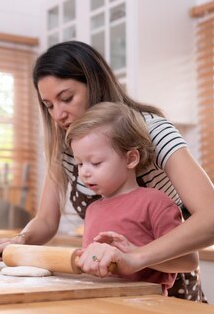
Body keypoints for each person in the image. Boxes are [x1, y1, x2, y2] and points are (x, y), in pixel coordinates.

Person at [0, 41, 214, 301]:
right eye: (49, 105)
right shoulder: (67, 148)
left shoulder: (152, 131)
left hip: (164, 284)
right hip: (107, 290)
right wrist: (18, 241)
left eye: (66, 98)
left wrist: (134, 258)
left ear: (95, 84)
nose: (58, 114)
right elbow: (46, 220)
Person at [65, 102, 198, 295]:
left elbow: (189, 261)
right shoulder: (93, 210)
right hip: (100, 307)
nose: (84, 172)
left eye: (95, 163)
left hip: (146, 308)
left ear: (130, 159)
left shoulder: (155, 203)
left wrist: (135, 253)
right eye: (79, 163)